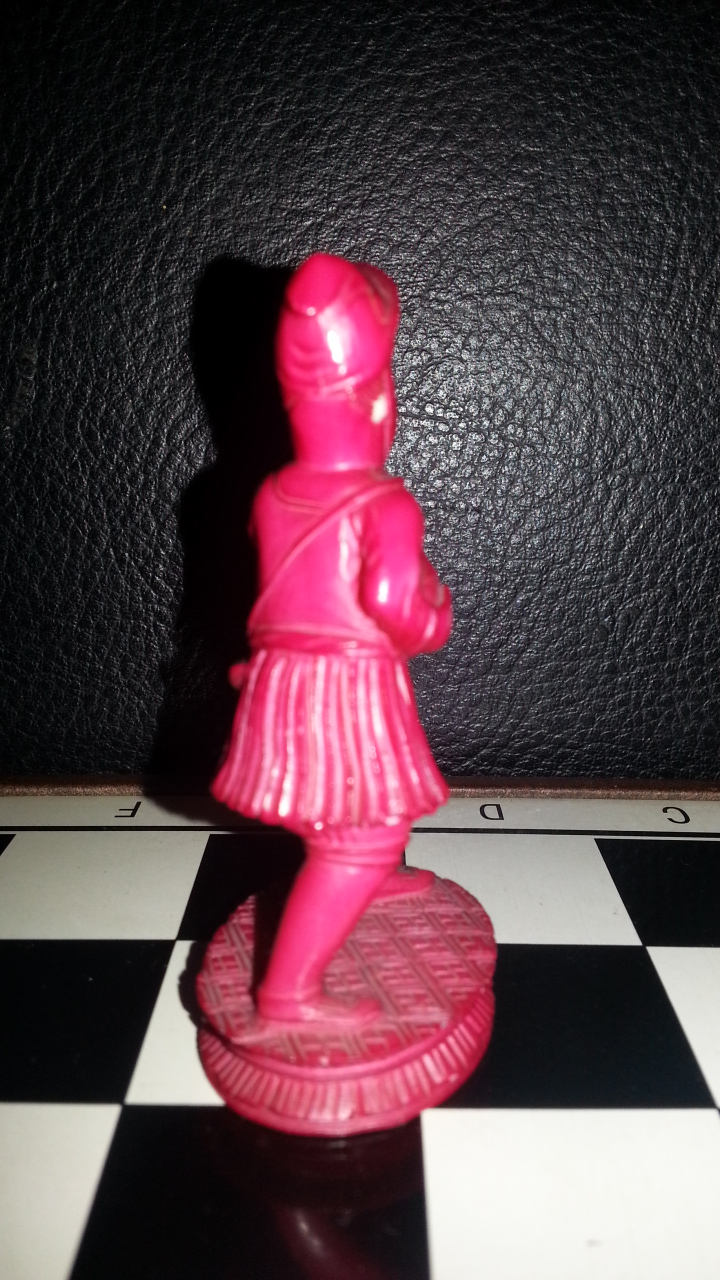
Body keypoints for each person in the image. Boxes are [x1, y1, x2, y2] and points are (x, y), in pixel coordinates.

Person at [212, 252, 452, 1027]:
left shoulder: (271, 492)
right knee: (366, 829)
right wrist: (434, 617)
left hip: (285, 677)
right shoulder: (386, 502)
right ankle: (288, 993)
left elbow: (275, 586)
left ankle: (360, 873)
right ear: (379, 400)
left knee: (353, 798)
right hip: (345, 683)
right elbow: (391, 602)